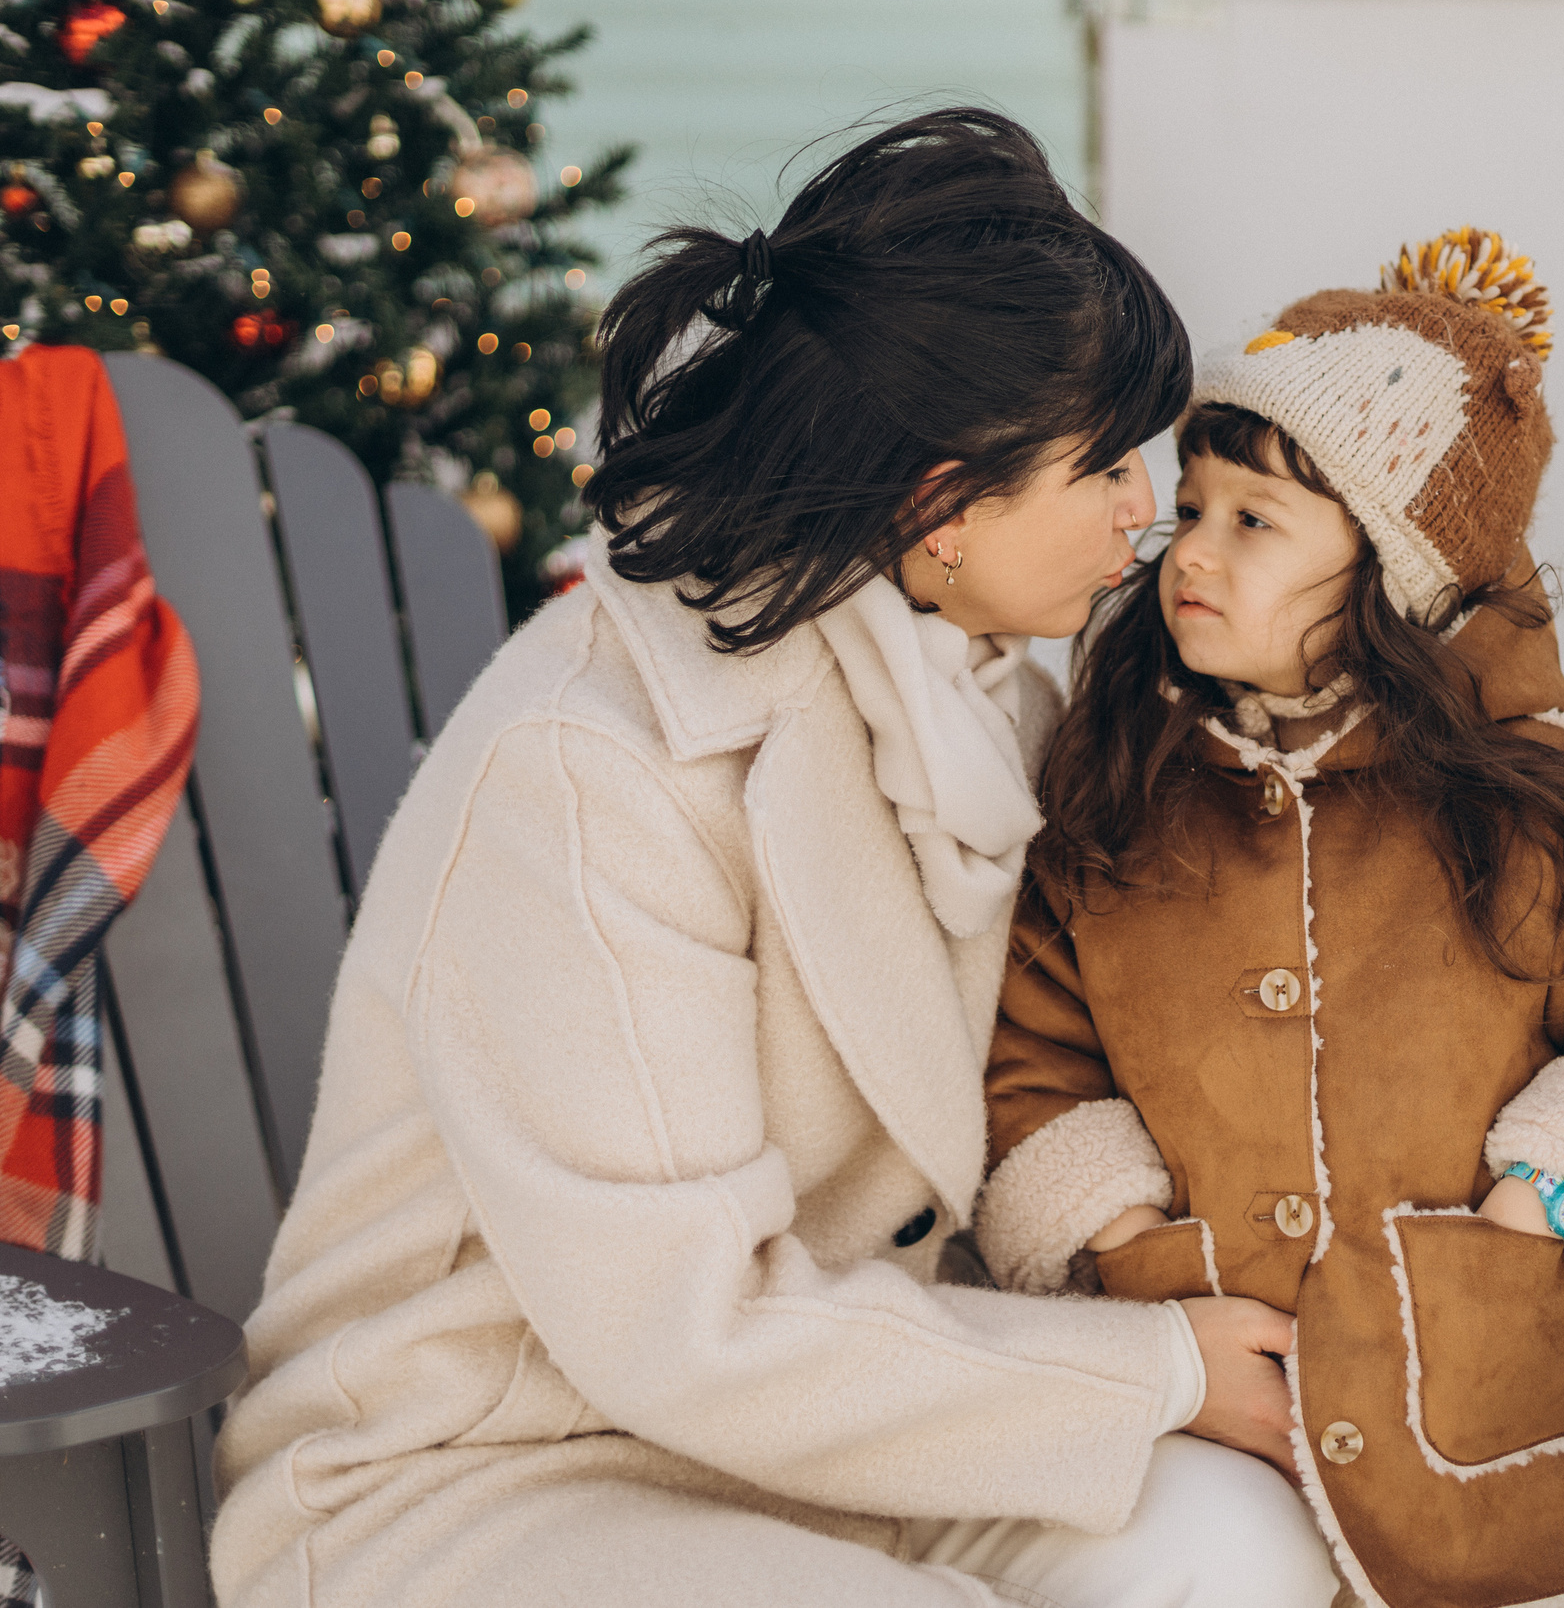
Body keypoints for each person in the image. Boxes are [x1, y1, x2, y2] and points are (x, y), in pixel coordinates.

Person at [207, 110, 1342, 1608]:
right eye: (1104, 470)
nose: (1146, 513)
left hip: (837, 1431)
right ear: (941, 504)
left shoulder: (985, 691)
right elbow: (680, 1322)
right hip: (493, 1465)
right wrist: (1147, 1370)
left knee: (1235, 1546)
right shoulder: (598, 764)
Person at [971, 231, 1564, 1608]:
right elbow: (1034, 1056)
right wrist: (1122, 1244)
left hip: (1496, 1418)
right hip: (1223, 1385)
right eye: (1193, 509)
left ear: (1394, 574)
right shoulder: (1122, 800)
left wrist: (1538, 1216)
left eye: (1254, 522)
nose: (1190, 556)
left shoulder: (1551, 810)